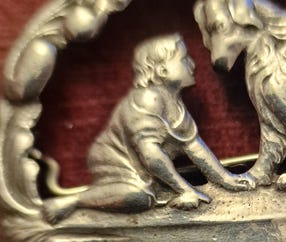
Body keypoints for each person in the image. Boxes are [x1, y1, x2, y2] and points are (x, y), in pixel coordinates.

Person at [43, 34, 254, 223]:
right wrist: (185, 190)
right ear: (162, 71)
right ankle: (72, 202)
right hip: (116, 162)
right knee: (139, 197)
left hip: (147, 168)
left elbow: (193, 146)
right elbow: (150, 153)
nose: (192, 65)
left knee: (146, 194)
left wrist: (226, 179)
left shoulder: (173, 101)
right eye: (183, 59)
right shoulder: (147, 99)